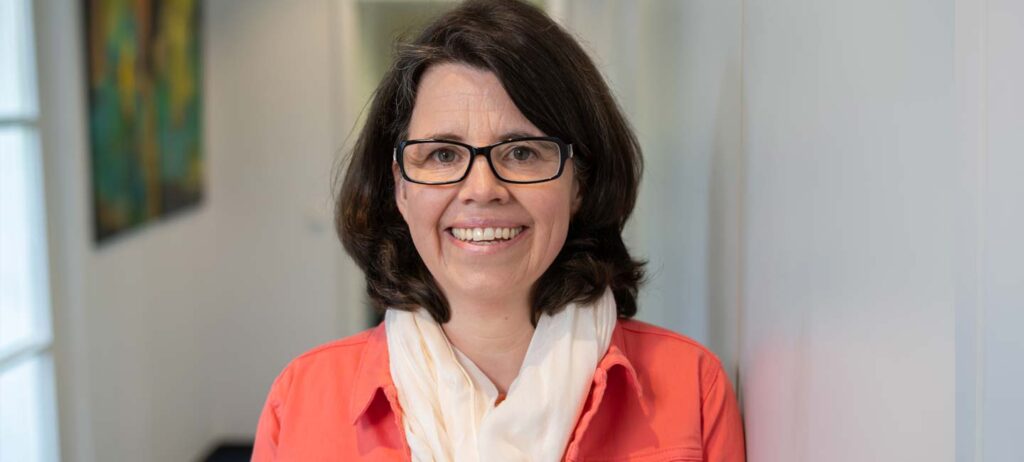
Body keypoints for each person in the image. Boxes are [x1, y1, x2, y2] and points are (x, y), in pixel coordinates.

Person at [252, 0, 745, 460]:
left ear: (579, 182)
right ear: (400, 186)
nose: (482, 189)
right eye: (443, 154)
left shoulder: (691, 390)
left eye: (522, 152)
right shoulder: (300, 400)